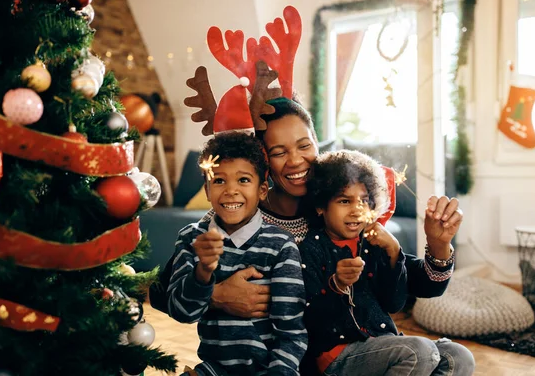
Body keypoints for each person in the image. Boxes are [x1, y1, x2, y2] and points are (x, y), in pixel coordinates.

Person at [207, 97, 474, 375]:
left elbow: (420, 286)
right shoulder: (239, 213)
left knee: (456, 357)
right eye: (278, 152)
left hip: (363, 348)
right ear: (263, 158)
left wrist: (439, 244)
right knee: (415, 352)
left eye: (304, 145)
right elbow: (164, 287)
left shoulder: (336, 205)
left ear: (316, 142)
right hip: (289, 361)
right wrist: (215, 295)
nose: (296, 160)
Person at [298, 149, 472, 375]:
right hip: (336, 360)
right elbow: (309, 320)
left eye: (364, 200)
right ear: (321, 206)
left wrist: (395, 252)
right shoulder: (310, 248)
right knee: (419, 351)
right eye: (344, 200)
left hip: (383, 348)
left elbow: (397, 301)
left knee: (458, 357)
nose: (357, 210)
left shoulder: (374, 243)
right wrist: (337, 285)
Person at [167, 131, 307, 375]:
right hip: (212, 369)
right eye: (219, 181)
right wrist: (203, 274)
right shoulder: (191, 238)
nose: (230, 190)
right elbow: (182, 312)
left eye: (243, 180)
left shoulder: (281, 245)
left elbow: (291, 332)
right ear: (207, 189)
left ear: (262, 189)